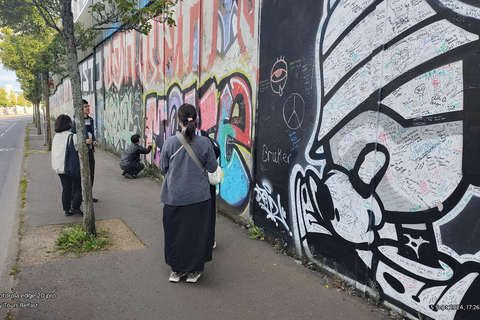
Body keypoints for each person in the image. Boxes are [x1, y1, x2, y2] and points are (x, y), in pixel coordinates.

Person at [160, 103, 218, 283]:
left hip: (174, 197)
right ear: (197, 120)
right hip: (199, 197)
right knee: (196, 233)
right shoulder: (205, 143)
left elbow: (163, 168)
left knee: (174, 233)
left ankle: (176, 270)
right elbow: (212, 167)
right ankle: (194, 271)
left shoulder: (170, 142)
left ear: (178, 120)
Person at [51, 114, 82, 216]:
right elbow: (80, 150)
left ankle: (66, 210)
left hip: (59, 168)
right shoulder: (73, 137)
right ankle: (75, 207)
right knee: (78, 187)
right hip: (70, 167)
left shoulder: (56, 137)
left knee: (66, 189)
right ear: (69, 123)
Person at [71, 99, 98, 202]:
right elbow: (72, 136)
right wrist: (83, 141)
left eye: (88, 106)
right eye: (85, 107)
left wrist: (93, 140)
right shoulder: (76, 122)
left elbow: (91, 132)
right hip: (80, 151)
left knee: (91, 172)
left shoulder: (90, 120)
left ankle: (88, 195)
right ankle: (75, 197)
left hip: (90, 150)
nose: (87, 108)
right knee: (79, 174)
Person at [199, 129, 221, 249]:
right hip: (210, 183)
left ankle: (198, 240)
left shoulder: (193, 142)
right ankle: (210, 240)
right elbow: (214, 161)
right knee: (210, 213)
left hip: (197, 183)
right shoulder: (211, 143)